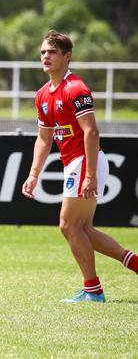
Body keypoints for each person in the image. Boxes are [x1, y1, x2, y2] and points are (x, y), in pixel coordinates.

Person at [21, 30, 138, 303]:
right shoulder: (42, 94)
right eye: (42, 52)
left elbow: (92, 132)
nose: (45, 57)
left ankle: (93, 290)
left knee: (68, 226)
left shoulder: (76, 88)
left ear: (67, 56)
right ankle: (133, 263)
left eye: (52, 52)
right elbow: (43, 137)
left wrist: (90, 175)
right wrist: (33, 173)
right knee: (84, 230)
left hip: (85, 161)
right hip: (75, 163)